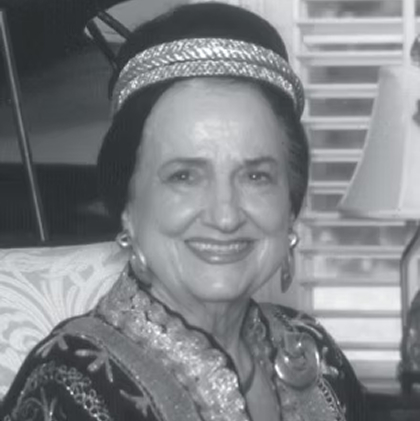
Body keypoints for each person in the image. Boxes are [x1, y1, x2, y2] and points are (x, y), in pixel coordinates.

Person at [1, 3, 369, 421]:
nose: (225, 216)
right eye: (184, 176)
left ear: (290, 204)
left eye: (256, 176)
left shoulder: (316, 356)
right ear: (127, 206)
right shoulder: (72, 384)